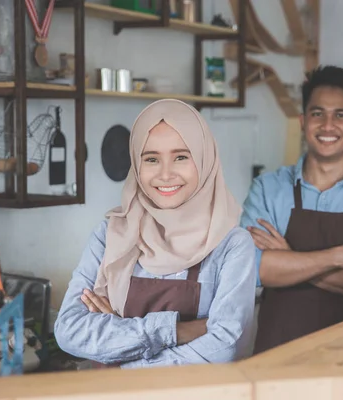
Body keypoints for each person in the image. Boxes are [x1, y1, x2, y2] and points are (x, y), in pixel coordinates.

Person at [54, 99, 256, 368]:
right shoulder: (110, 234)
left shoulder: (232, 245)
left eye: (181, 157)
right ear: (136, 166)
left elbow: (224, 347)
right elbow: (69, 330)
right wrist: (178, 330)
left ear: (205, 160)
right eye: (151, 159)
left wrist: (120, 341)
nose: (165, 174)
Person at [240, 65, 343, 354]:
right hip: (278, 352)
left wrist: (288, 259)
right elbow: (253, 269)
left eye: (341, 115)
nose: (328, 125)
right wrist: (338, 258)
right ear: (303, 121)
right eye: (318, 113)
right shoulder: (267, 188)